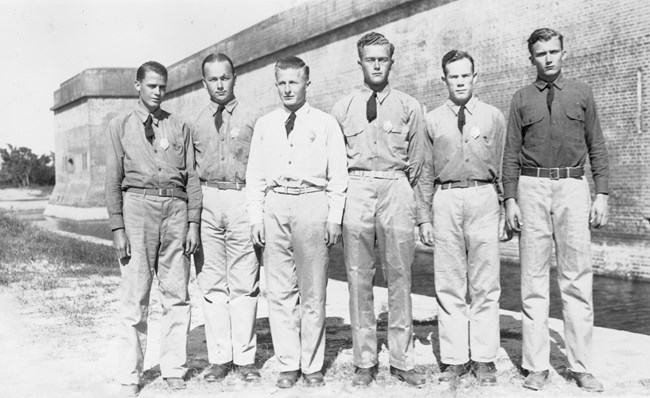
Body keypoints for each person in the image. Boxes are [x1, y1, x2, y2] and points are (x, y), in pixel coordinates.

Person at [503, 28, 609, 392]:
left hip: (573, 187)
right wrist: (510, 198)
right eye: (540, 53)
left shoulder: (582, 94)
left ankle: (581, 366)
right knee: (533, 281)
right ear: (530, 58)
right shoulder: (520, 99)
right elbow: (510, 154)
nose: (548, 58)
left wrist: (602, 193)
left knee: (577, 279)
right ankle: (536, 366)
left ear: (564, 52)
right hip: (531, 188)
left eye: (553, 51)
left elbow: (597, 145)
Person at [331, 31, 429, 387]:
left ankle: (402, 360)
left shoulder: (410, 106)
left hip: (395, 187)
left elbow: (418, 162)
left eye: (382, 58)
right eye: (369, 59)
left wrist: (411, 201)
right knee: (358, 277)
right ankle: (364, 360)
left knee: (400, 276)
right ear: (360, 63)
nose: (376, 64)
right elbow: (335, 162)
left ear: (391, 62)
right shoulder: (342, 108)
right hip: (355, 187)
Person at [246, 56, 348, 389]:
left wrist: (334, 218)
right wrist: (256, 216)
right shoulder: (265, 124)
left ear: (307, 83)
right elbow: (256, 175)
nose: (288, 88)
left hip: (311, 202)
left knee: (314, 289)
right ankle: (289, 363)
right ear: (276, 85)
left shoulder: (325, 123)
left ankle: (313, 363)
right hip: (275, 204)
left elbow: (338, 176)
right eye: (282, 83)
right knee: (279, 290)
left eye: (294, 82)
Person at [105, 61, 201, 396]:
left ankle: (174, 368)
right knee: (135, 296)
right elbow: (112, 183)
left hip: (175, 209)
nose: (158, 92)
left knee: (177, 294)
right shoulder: (119, 126)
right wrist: (118, 228)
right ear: (138, 86)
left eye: (162, 86)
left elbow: (192, 180)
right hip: (137, 210)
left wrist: (193, 223)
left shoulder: (178, 126)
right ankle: (131, 374)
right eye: (151, 86)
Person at [416, 50, 506, 386]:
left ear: (474, 76)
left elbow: (503, 163)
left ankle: (484, 358)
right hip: (446, 198)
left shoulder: (493, 116)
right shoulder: (433, 120)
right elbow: (425, 172)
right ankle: (455, 359)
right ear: (444, 80)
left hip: (483, 198)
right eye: (453, 76)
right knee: (449, 282)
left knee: (485, 283)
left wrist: (504, 208)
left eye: (465, 75)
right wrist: (423, 216)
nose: (460, 81)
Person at [191, 53, 261, 383]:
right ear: (204, 82)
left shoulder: (253, 117)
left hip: (241, 197)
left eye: (225, 77)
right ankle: (220, 358)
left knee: (245, 281)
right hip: (207, 199)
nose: (220, 84)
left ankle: (246, 358)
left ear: (235, 78)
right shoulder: (195, 123)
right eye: (213, 79)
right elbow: (190, 171)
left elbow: (261, 168)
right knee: (211, 282)